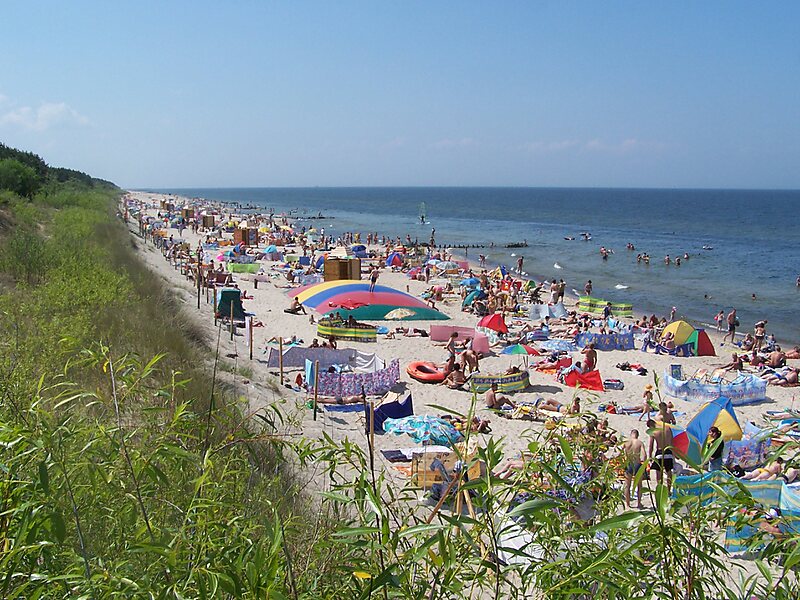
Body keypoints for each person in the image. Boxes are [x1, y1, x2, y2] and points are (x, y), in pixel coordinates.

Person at [647, 418, 674, 492]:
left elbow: (651, 446)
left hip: (659, 452)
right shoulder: (667, 428)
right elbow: (672, 441)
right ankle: (668, 490)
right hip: (668, 451)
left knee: (658, 472)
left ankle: (660, 488)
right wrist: (674, 454)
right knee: (669, 471)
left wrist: (650, 456)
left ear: (650, 426)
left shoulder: (653, 431)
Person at [623, 429, 647, 509]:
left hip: (628, 464)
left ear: (631, 434)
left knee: (627, 485)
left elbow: (619, 453)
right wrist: (643, 464)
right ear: (637, 435)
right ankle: (639, 503)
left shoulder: (626, 442)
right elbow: (644, 455)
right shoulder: (640, 443)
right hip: (637, 464)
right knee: (639, 485)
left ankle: (627, 504)